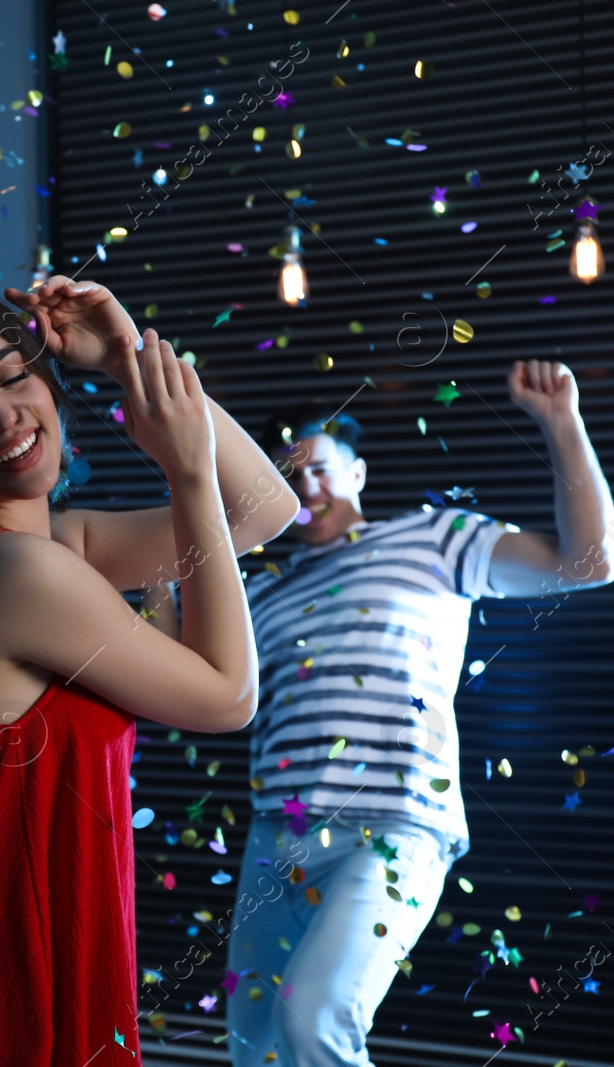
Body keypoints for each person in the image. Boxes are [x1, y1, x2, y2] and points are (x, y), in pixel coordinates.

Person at [0, 279, 301, 1064]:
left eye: (13, 374)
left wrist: (125, 358)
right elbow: (230, 695)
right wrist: (184, 476)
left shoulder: (51, 549)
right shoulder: (12, 573)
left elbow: (262, 508)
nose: (1, 414)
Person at [153, 366, 612, 1065]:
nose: (308, 486)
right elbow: (173, 681)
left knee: (316, 1017)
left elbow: (590, 560)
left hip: (395, 827)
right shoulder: (259, 593)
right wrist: (160, 550)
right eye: (288, 475)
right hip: (278, 839)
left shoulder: (437, 538)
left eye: (322, 468)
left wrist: (561, 422)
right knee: (260, 1050)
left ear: (359, 470)